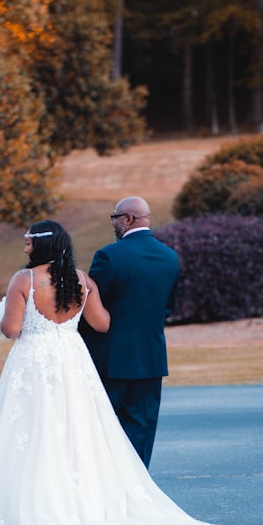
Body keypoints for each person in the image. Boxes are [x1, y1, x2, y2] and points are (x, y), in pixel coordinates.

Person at [0, 220, 218, 525]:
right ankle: (87, 504)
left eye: (28, 242)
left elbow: (11, 329)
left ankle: (40, 507)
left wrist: (4, 310)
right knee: (80, 429)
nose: (24, 246)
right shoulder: (82, 280)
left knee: (35, 429)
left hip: (35, 361)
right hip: (72, 359)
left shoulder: (25, 280)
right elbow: (102, 323)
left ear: (41, 245)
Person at [82, 196, 179, 468]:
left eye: (114, 217)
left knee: (101, 430)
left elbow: (91, 309)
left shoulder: (109, 256)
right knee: (142, 432)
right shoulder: (170, 257)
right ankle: (138, 494)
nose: (113, 223)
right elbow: (167, 308)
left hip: (109, 358)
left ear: (127, 219)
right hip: (151, 359)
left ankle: (104, 491)